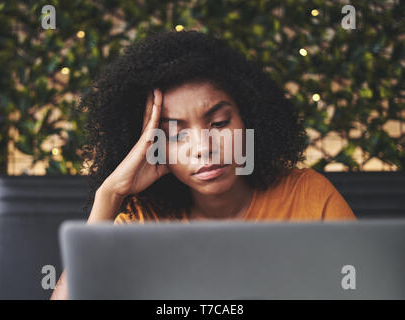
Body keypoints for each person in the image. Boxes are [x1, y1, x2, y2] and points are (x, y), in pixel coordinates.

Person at [50, 30, 355, 300]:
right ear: (153, 145)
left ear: (250, 119)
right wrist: (110, 195)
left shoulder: (308, 197)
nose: (203, 148)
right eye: (175, 134)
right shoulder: (142, 221)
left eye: (219, 123)